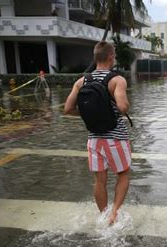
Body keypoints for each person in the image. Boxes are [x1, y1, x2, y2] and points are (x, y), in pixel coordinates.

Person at [64, 41, 131, 225]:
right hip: (116, 138)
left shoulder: (81, 81)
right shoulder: (117, 80)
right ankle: (114, 213)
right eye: (114, 54)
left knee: (99, 179)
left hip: (93, 139)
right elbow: (123, 107)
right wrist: (117, 108)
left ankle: (103, 215)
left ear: (95, 57)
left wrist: (88, 113)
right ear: (111, 56)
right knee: (123, 174)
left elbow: (68, 109)